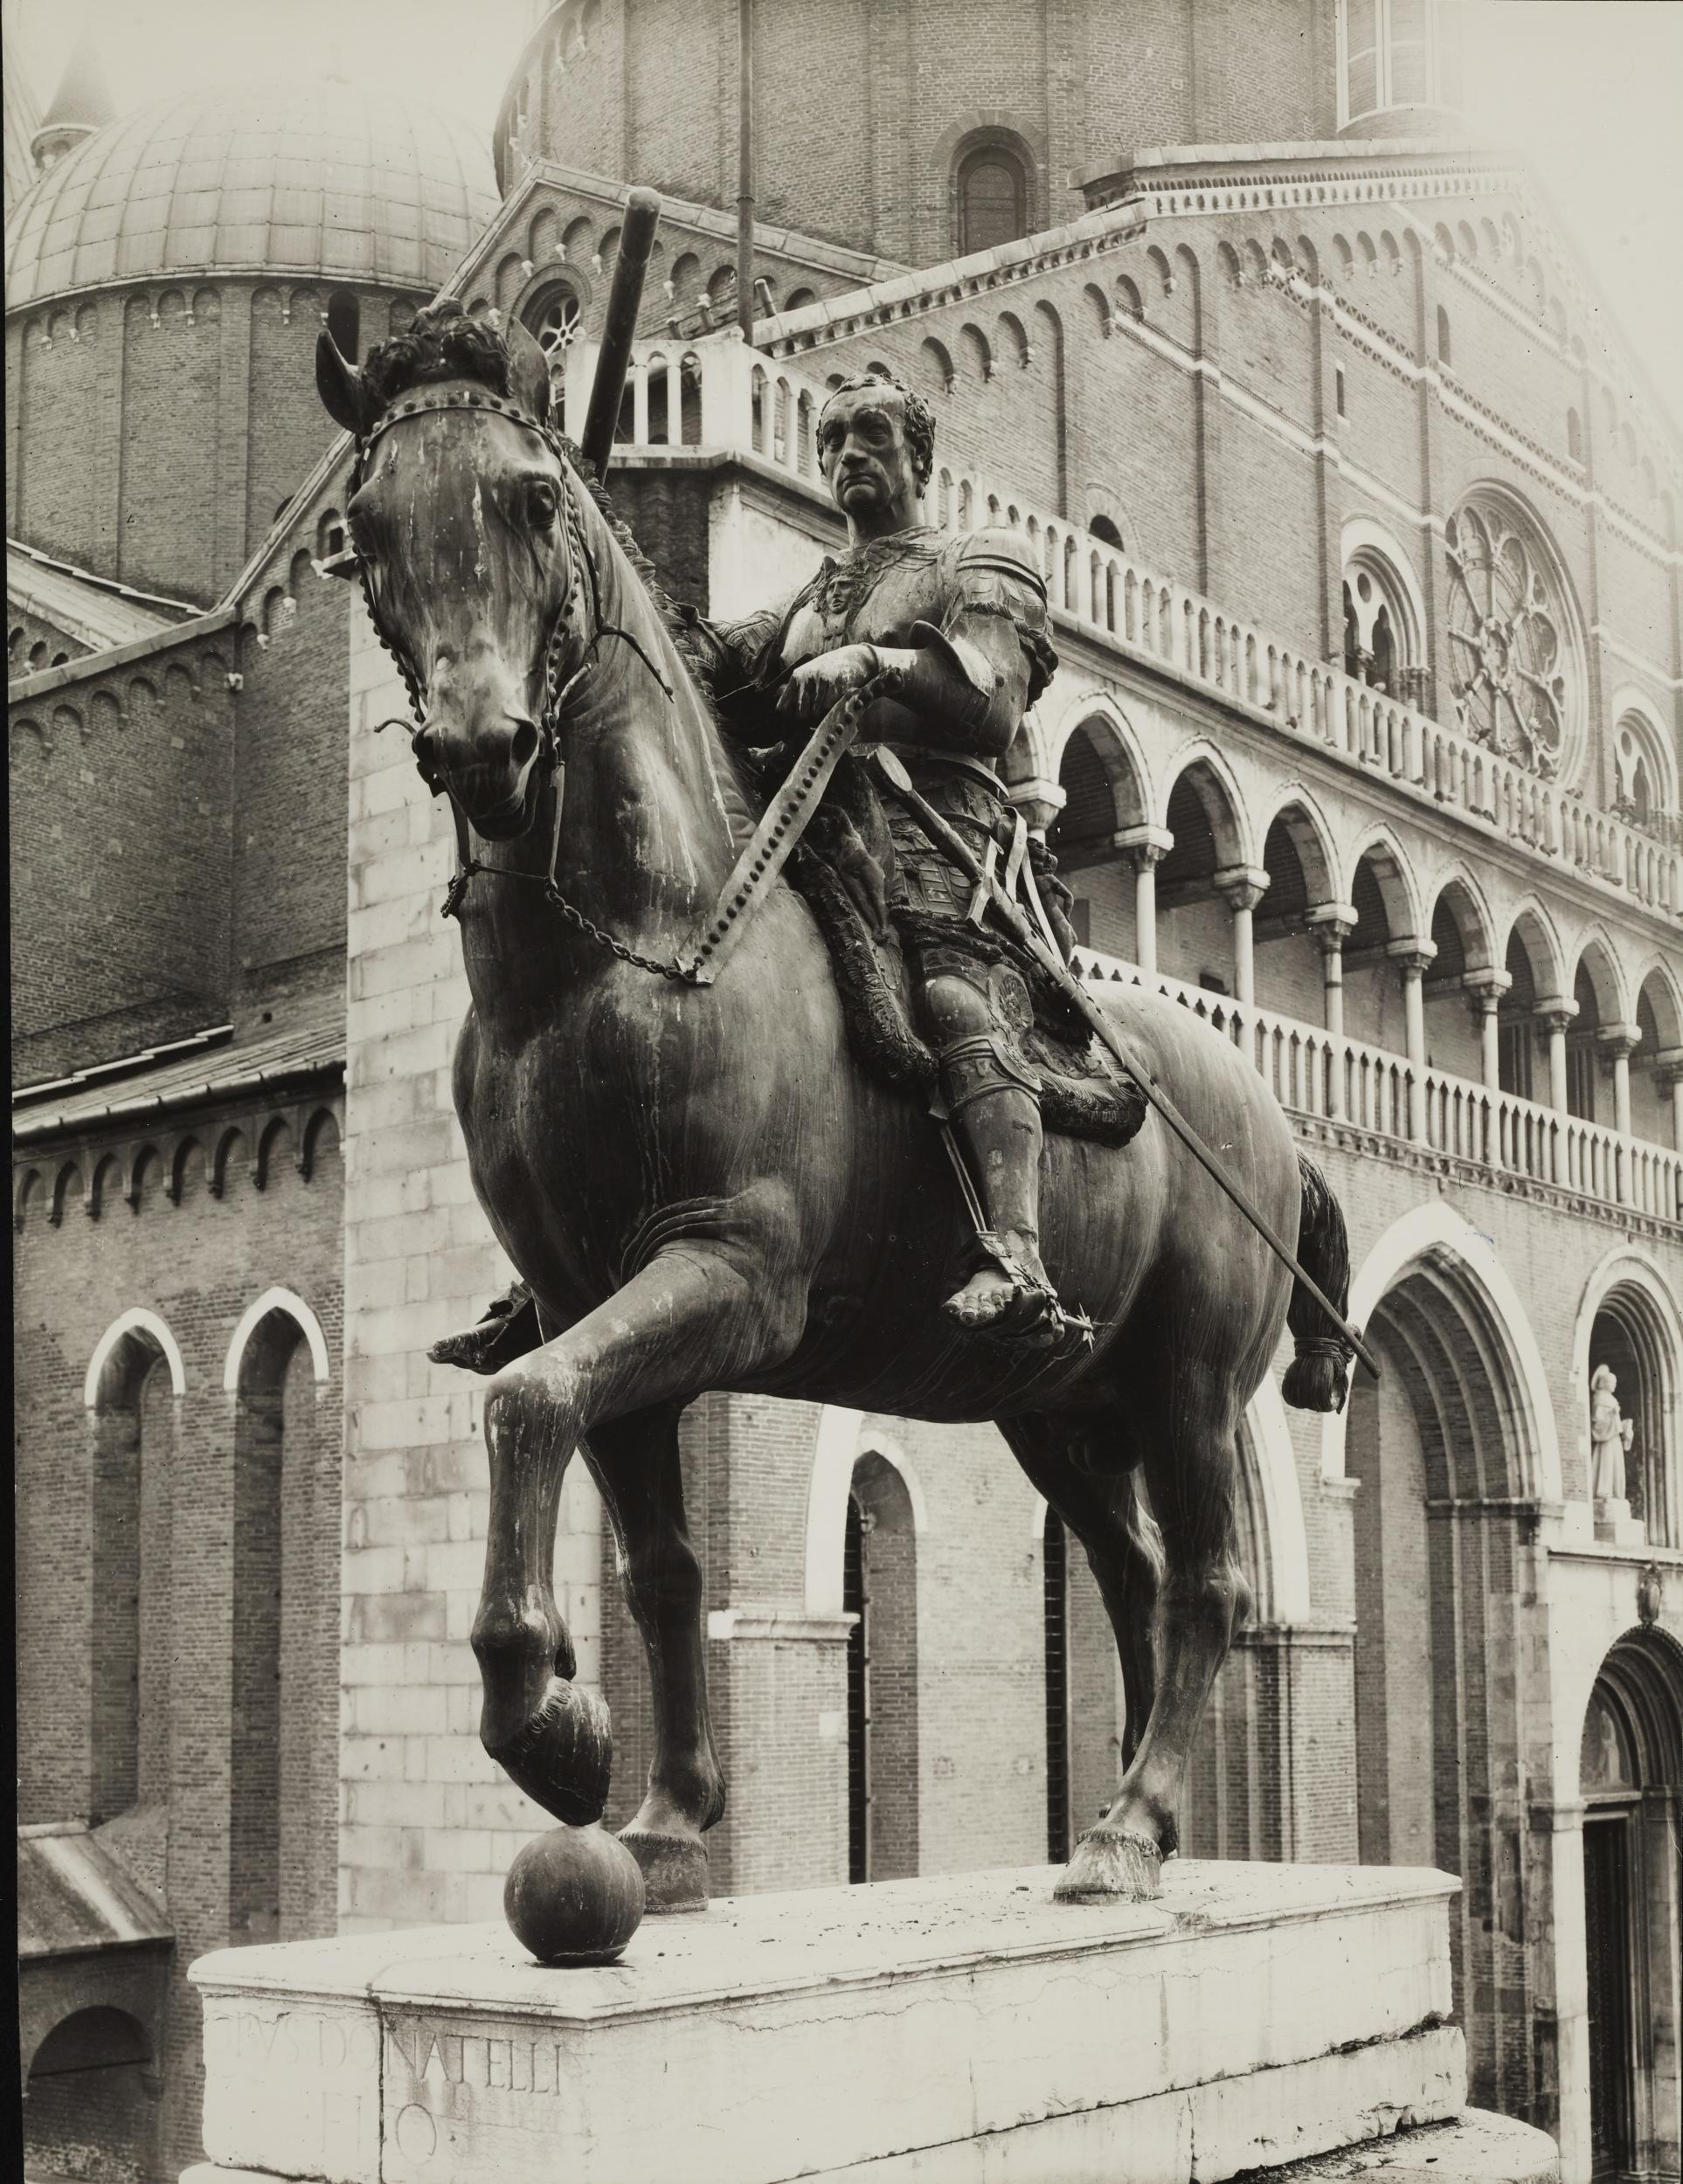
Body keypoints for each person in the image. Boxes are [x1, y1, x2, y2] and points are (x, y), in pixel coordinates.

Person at [433, 365, 1067, 1371]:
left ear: (919, 457)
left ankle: (1018, 1249)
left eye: (870, 433)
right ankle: (567, 1259)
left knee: (952, 998)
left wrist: (873, 666)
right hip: (815, 821)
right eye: (834, 440)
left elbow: (990, 699)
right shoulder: (819, 592)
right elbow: (718, 664)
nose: (849, 454)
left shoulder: (979, 561)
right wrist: (602, 575)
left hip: (941, 830)